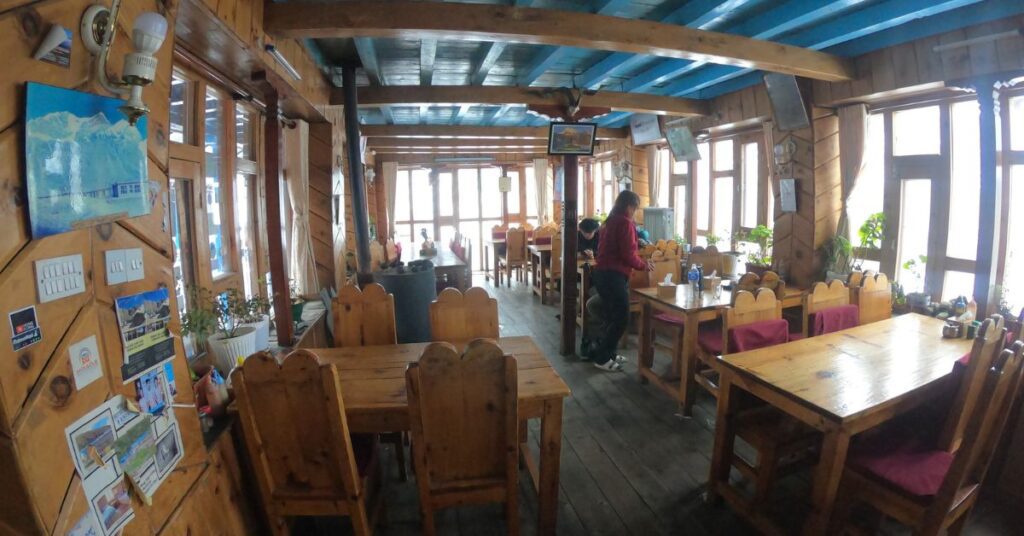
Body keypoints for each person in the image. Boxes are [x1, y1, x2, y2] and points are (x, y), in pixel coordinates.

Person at [590, 190, 652, 371]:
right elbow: (628, 255)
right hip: (613, 275)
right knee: (621, 318)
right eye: (635, 208)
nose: (634, 212)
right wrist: (643, 265)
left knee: (612, 316)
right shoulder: (625, 222)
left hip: (602, 274)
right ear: (629, 206)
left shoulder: (610, 220)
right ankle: (602, 359)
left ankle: (609, 354)